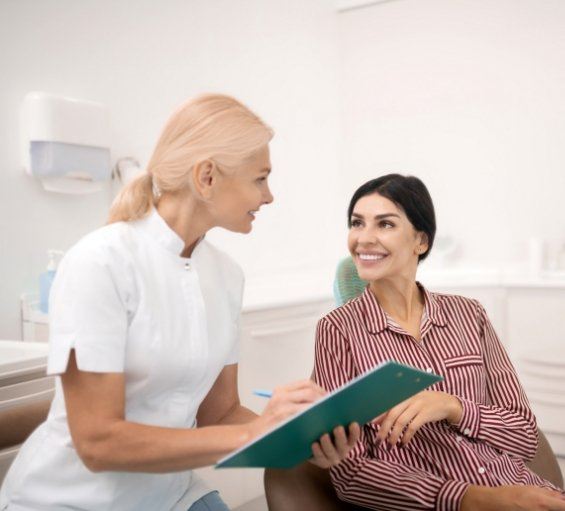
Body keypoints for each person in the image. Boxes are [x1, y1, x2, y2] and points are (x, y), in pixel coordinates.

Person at [0, 94, 360, 511]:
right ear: (206, 177)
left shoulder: (225, 275)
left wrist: (300, 435)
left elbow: (220, 414)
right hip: (74, 500)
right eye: (260, 178)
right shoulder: (101, 262)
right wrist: (256, 433)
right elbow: (96, 443)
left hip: (171, 496)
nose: (269, 197)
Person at [314, 174, 565, 511]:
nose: (364, 238)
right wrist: (474, 499)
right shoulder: (337, 330)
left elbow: (523, 433)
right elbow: (352, 475)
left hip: (525, 491)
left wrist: (454, 407)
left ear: (421, 241)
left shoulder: (468, 314)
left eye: (385, 224)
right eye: (357, 223)